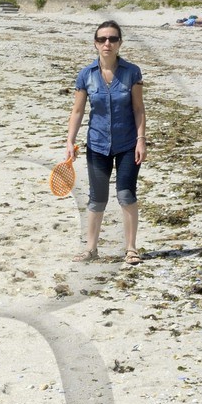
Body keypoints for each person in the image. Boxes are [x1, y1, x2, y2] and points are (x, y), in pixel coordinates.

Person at [63, 20, 147, 266]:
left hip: (128, 142)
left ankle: (131, 248)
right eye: (102, 39)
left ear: (120, 42)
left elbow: (139, 109)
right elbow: (77, 111)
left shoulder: (132, 72)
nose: (107, 43)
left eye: (112, 39)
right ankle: (91, 248)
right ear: (95, 43)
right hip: (97, 143)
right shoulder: (86, 74)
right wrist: (70, 141)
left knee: (126, 194)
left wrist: (141, 140)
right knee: (97, 198)